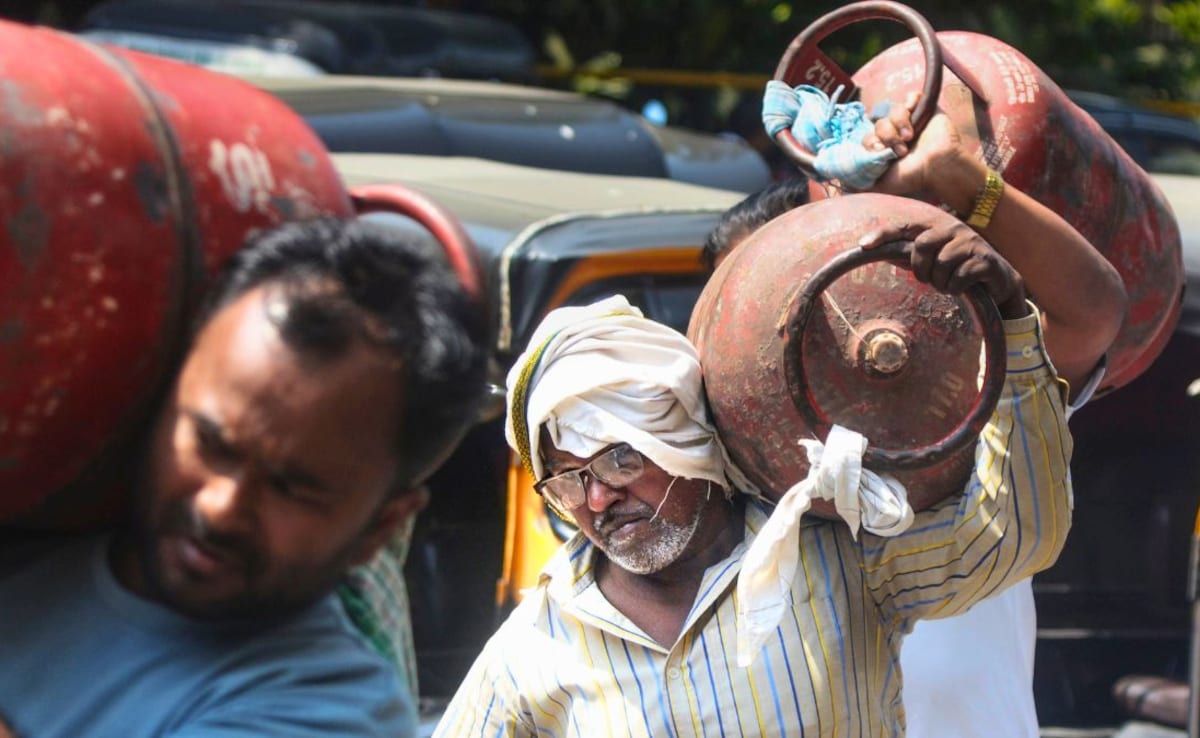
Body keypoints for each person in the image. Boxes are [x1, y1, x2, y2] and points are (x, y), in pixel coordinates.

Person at [698, 92, 1127, 737]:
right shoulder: (699, 462)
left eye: (805, 293)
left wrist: (960, 181)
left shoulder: (973, 393)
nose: (785, 330)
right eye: (754, 311)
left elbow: (1090, 316)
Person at [0, 217, 488, 738]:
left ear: (380, 527)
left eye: (292, 488)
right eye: (211, 444)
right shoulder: (37, 514)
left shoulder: (331, 710)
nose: (221, 506)